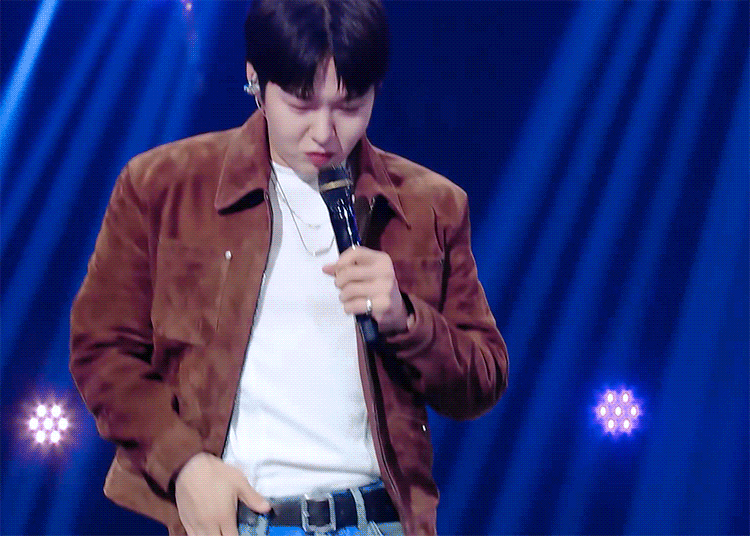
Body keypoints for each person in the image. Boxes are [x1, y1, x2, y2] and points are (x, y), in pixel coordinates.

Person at [70, 1, 508, 535]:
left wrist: (406, 320)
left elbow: (482, 380)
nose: (324, 132)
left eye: (350, 106)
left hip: (376, 519)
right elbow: (102, 350)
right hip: (235, 518)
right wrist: (183, 463)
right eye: (301, 103)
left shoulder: (431, 205)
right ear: (255, 80)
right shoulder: (163, 186)